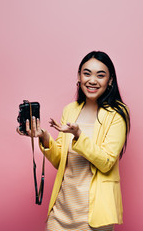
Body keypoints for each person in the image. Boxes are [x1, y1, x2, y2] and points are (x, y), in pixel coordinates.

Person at [17, 51, 130, 231]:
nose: (92, 80)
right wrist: (44, 137)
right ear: (79, 76)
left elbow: (107, 162)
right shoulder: (70, 110)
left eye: (100, 75)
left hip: (93, 218)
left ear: (110, 81)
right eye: (87, 73)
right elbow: (60, 161)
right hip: (60, 213)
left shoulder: (117, 114)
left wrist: (79, 136)